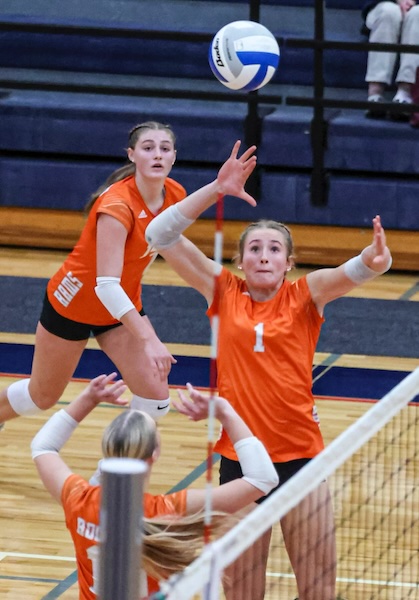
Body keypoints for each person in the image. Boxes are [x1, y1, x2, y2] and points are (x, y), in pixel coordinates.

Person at [144, 140, 393, 600]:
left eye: (274, 249)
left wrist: (375, 261)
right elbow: (158, 235)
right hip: (240, 465)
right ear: (240, 261)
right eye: (254, 248)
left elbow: (356, 271)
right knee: (243, 594)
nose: (263, 255)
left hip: (301, 458)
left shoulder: (305, 295)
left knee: (318, 592)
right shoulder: (222, 289)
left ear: (288, 263)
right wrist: (217, 189)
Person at [0, 121, 186, 428]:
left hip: (120, 307)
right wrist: (150, 338)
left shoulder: (176, 194)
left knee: (155, 399)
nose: (157, 155)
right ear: (132, 155)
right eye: (148, 148)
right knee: (42, 397)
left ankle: (118, 470)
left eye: (164, 149)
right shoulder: (116, 206)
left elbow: (174, 246)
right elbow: (105, 285)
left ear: (174, 157)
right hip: (76, 300)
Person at [31, 372, 279, 599]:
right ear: (155, 453)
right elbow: (262, 478)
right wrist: (226, 411)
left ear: (107, 452)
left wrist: (86, 399)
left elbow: (43, 446)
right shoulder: (167, 510)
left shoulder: (79, 499)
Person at [363, 0, 419, 119]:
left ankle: (405, 93)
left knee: (417, 13)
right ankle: (374, 94)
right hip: (384, 3)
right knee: (388, 11)